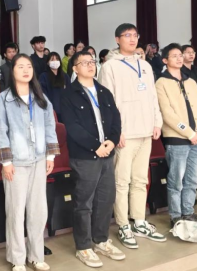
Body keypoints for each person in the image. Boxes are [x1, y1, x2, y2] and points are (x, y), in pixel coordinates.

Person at [98, 24, 166, 249]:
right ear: (117, 39)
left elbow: (153, 97)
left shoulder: (145, 65)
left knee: (140, 180)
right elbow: (106, 103)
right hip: (125, 133)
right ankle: (123, 225)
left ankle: (139, 220)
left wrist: (157, 122)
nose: (132, 39)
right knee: (122, 182)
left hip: (146, 130)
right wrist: (115, 132)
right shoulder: (110, 66)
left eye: (135, 35)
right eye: (127, 35)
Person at [0, 54, 60, 272]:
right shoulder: (4, 99)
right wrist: (6, 161)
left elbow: (50, 126)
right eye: (20, 66)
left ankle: (36, 256)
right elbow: (0, 130)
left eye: (28, 66)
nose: (25, 70)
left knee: (38, 210)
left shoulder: (40, 97)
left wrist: (50, 156)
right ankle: (18, 259)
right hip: (16, 163)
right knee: (16, 211)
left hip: (39, 160)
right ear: (12, 71)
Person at [61, 51, 125, 268]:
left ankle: (101, 240)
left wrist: (112, 142)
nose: (90, 65)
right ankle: (84, 246)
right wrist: (95, 146)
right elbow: (72, 127)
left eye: (92, 62)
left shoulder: (104, 92)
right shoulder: (68, 94)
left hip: (107, 153)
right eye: (84, 63)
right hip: (85, 156)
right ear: (75, 68)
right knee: (84, 202)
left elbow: (116, 120)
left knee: (106, 199)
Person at [156, 44, 197, 227]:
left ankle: (188, 212)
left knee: (192, 180)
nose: (179, 58)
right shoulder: (161, 82)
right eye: (174, 56)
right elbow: (167, 114)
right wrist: (189, 133)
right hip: (177, 139)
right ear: (165, 60)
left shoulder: (191, 81)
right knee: (176, 181)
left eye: (180, 55)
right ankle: (176, 215)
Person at [39, 52, 71, 122]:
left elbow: (70, 93)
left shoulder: (65, 76)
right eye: (52, 60)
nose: (55, 61)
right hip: (51, 111)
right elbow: (43, 95)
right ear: (47, 63)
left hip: (65, 110)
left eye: (57, 59)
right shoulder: (43, 76)